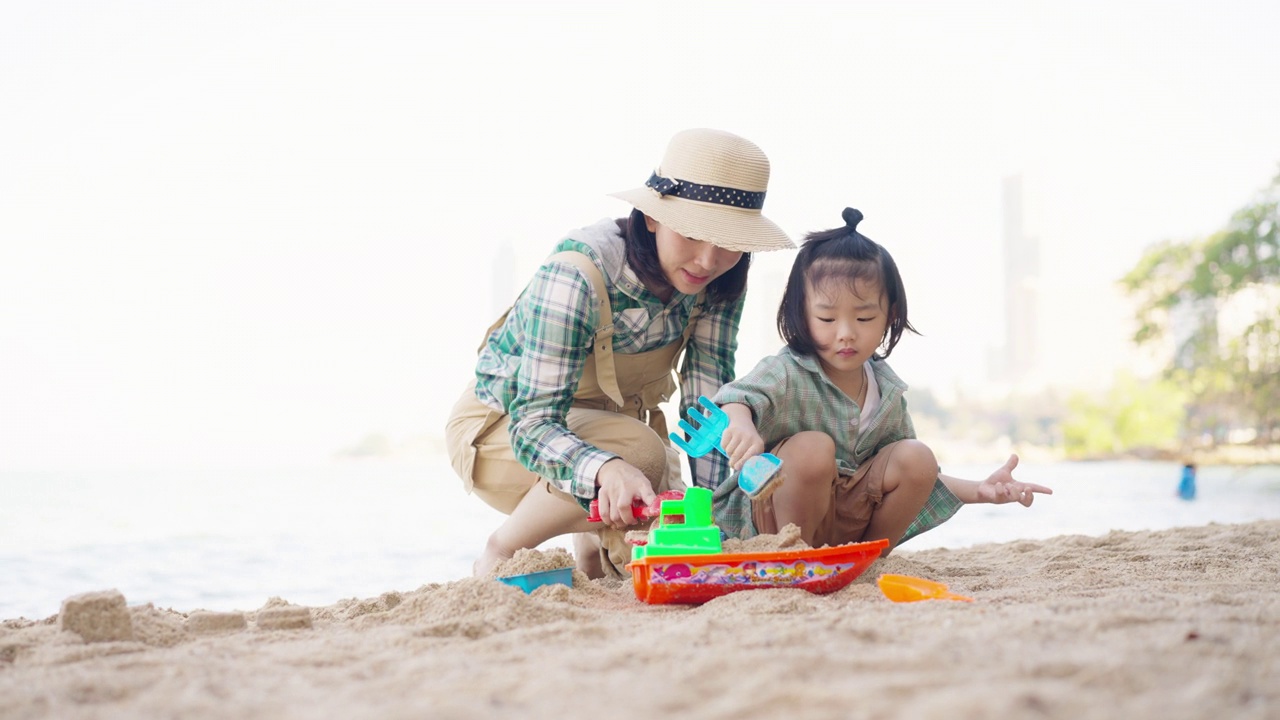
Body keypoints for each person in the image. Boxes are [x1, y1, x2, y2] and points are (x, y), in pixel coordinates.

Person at [446, 128, 795, 578]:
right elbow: (533, 424)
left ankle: (591, 553)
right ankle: (501, 549)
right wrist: (607, 469)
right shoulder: (576, 275)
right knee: (641, 454)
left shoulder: (720, 281)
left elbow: (702, 411)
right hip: (503, 431)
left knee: (670, 528)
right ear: (651, 217)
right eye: (693, 233)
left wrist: (718, 522)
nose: (708, 260)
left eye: (728, 241)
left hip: (611, 432)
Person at [709, 207, 1052, 553]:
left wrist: (980, 491)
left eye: (864, 317)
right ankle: (794, 552)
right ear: (801, 313)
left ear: (890, 316)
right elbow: (737, 396)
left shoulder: (887, 392)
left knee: (917, 456)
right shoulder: (787, 370)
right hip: (775, 513)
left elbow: (920, 476)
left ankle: (869, 555)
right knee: (814, 449)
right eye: (827, 318)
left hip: (845, 521)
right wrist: (741, 423)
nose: (846, 333)